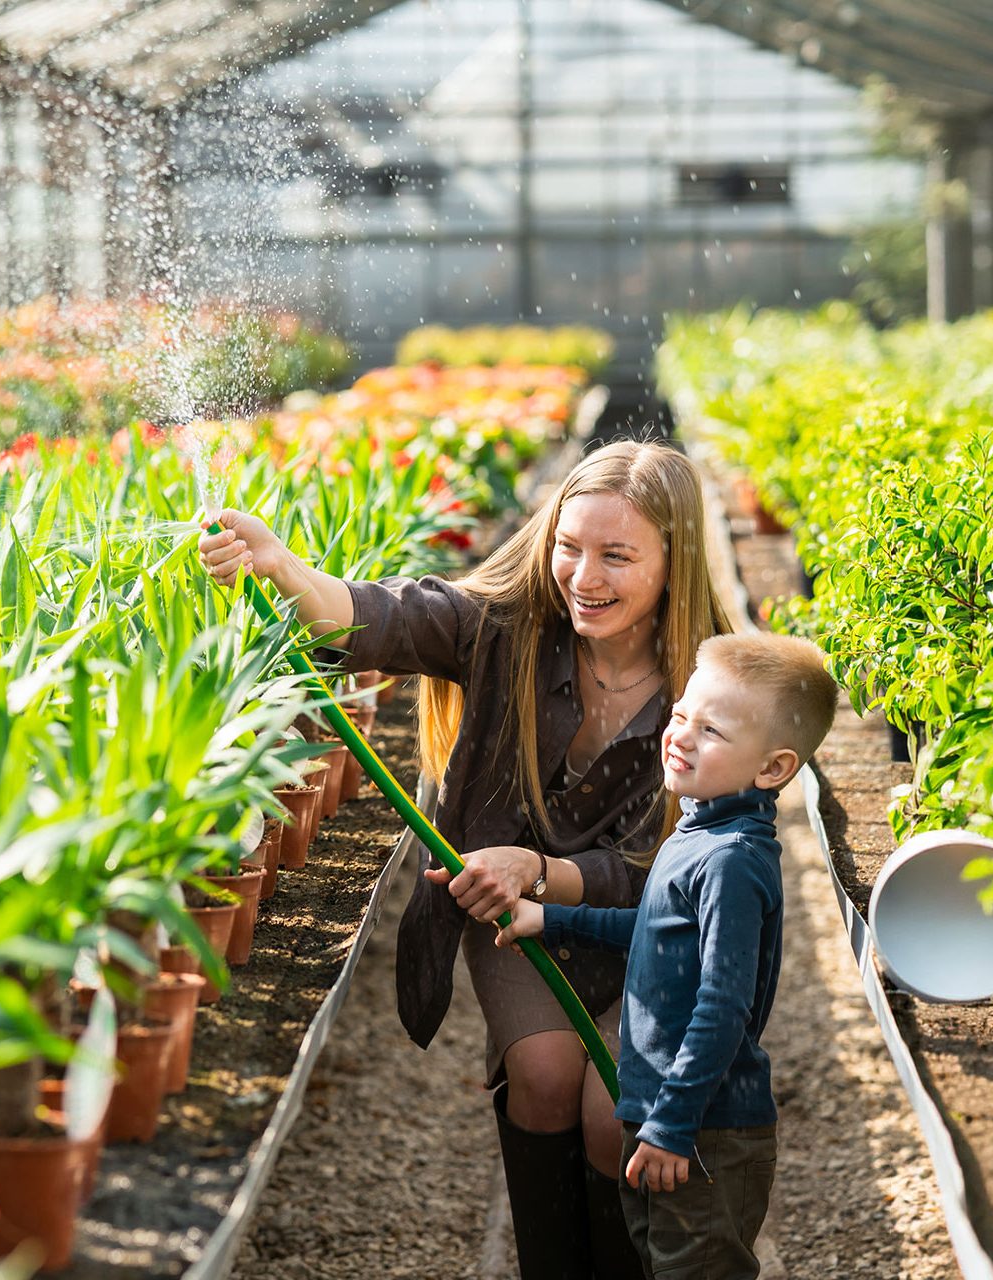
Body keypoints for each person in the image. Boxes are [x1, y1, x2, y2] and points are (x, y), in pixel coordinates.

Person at [198, 440, 731, 1280]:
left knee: (615, 1114)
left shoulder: (714, 689)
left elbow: (686, 864)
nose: (583, 576)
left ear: (678, 561)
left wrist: (539, 868)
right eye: (569, 546)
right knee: (548, 1073)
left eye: (617, 556)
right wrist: (283, 568)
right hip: (515, 924)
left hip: (654, 929)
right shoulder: (505, 630)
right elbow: (390, 616)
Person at [497, 632, 837, 1280]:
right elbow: (655, 932)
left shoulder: (732, 861)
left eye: (710, 730)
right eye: (680, 714)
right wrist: (551, 918)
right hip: (662, 1115)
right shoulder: (700, 827)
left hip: (703, 1129)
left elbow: (722, 1007)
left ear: (772, 769)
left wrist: (672, 1126)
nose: (680, 734)